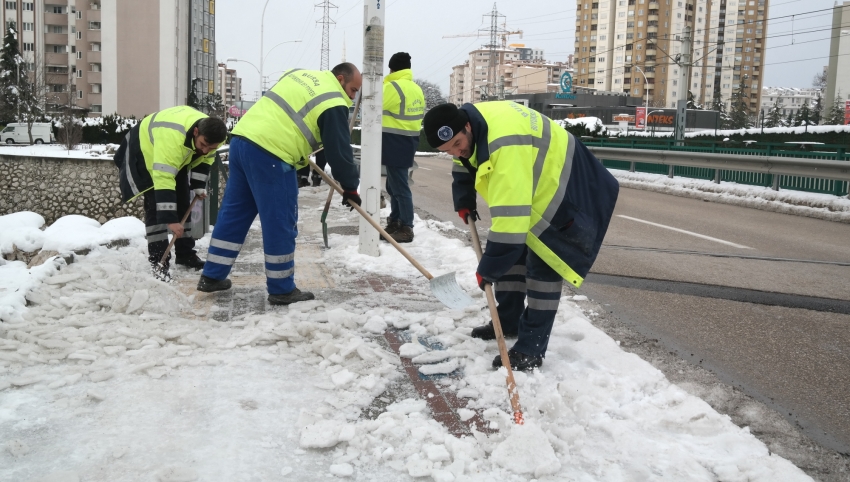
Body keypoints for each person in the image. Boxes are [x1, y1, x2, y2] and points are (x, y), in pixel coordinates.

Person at [422, 102, 619, 371]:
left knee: (543, 265)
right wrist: (464, 198)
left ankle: (531, 348)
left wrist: (488, 270)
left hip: (571, 188)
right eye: (448, 151)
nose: (457, 152)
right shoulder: (468, 126)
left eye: (457, 143)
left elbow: (510, 229)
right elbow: (464, 160)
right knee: (511, 258)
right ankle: (509, 320)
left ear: (467, 126)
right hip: (537, 177)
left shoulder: (504, 148)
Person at [197, 63, 363, 305]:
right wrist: (350, 187)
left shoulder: (300, 74)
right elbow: (339, 150)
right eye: (353, 90)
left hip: (242, 142)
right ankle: (282, 288)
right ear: (340, 80)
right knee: (280, 221)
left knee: (234, 215)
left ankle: (212, 276)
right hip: (272, 155)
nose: (353, 96)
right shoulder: (333, 100)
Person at [114, 106, 227, 273]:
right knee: (156, 208)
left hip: (177, 154)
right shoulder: (172, 140)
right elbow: (164, 179)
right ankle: (159, 262)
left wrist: (197, 185)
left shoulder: (216, 138)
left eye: (211, 147)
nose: (204, 151)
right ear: (196, 132)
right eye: (203, 145)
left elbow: (206, 159)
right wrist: (170, 220)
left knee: (182, 202)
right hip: (145, 151)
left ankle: (185, 254)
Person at [381, 52, 425, 243]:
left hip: (394, 141)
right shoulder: (415, 88)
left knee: (399, 187)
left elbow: (373, 106)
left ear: (391, 68)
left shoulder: (392, 87)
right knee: (393, 185)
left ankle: (406, 227)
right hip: (408, 140)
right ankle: (396, 222)